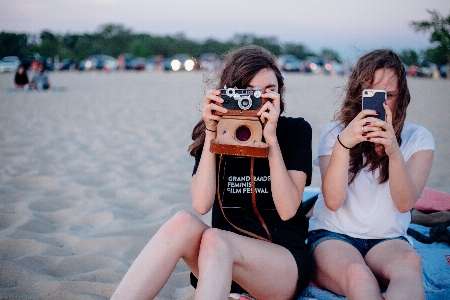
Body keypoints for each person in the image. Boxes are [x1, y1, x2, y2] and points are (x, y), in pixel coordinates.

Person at [111, 45, 313, 300]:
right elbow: (201, 203)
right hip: (219, 258)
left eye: (269, 92)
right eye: (249, 93)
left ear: (280, 94)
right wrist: (211, 133)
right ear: (230, 94)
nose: (260, 100)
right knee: (182, 223)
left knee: (217, 239)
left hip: (280, 265)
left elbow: (287, 209)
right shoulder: (216, 133)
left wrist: (270, 140)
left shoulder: (295, 131)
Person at [307, 49, 435, 300]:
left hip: (387, 239)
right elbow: (332, 201)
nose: (382, 105)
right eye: (373, 96)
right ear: (358, 96)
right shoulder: (336, 132)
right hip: (332, 235)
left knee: (410, 265)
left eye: (389, 95)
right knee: (358, 276)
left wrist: (394, 152)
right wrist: (344, 145)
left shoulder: (418, 138)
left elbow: (404, 203)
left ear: (402, 97)